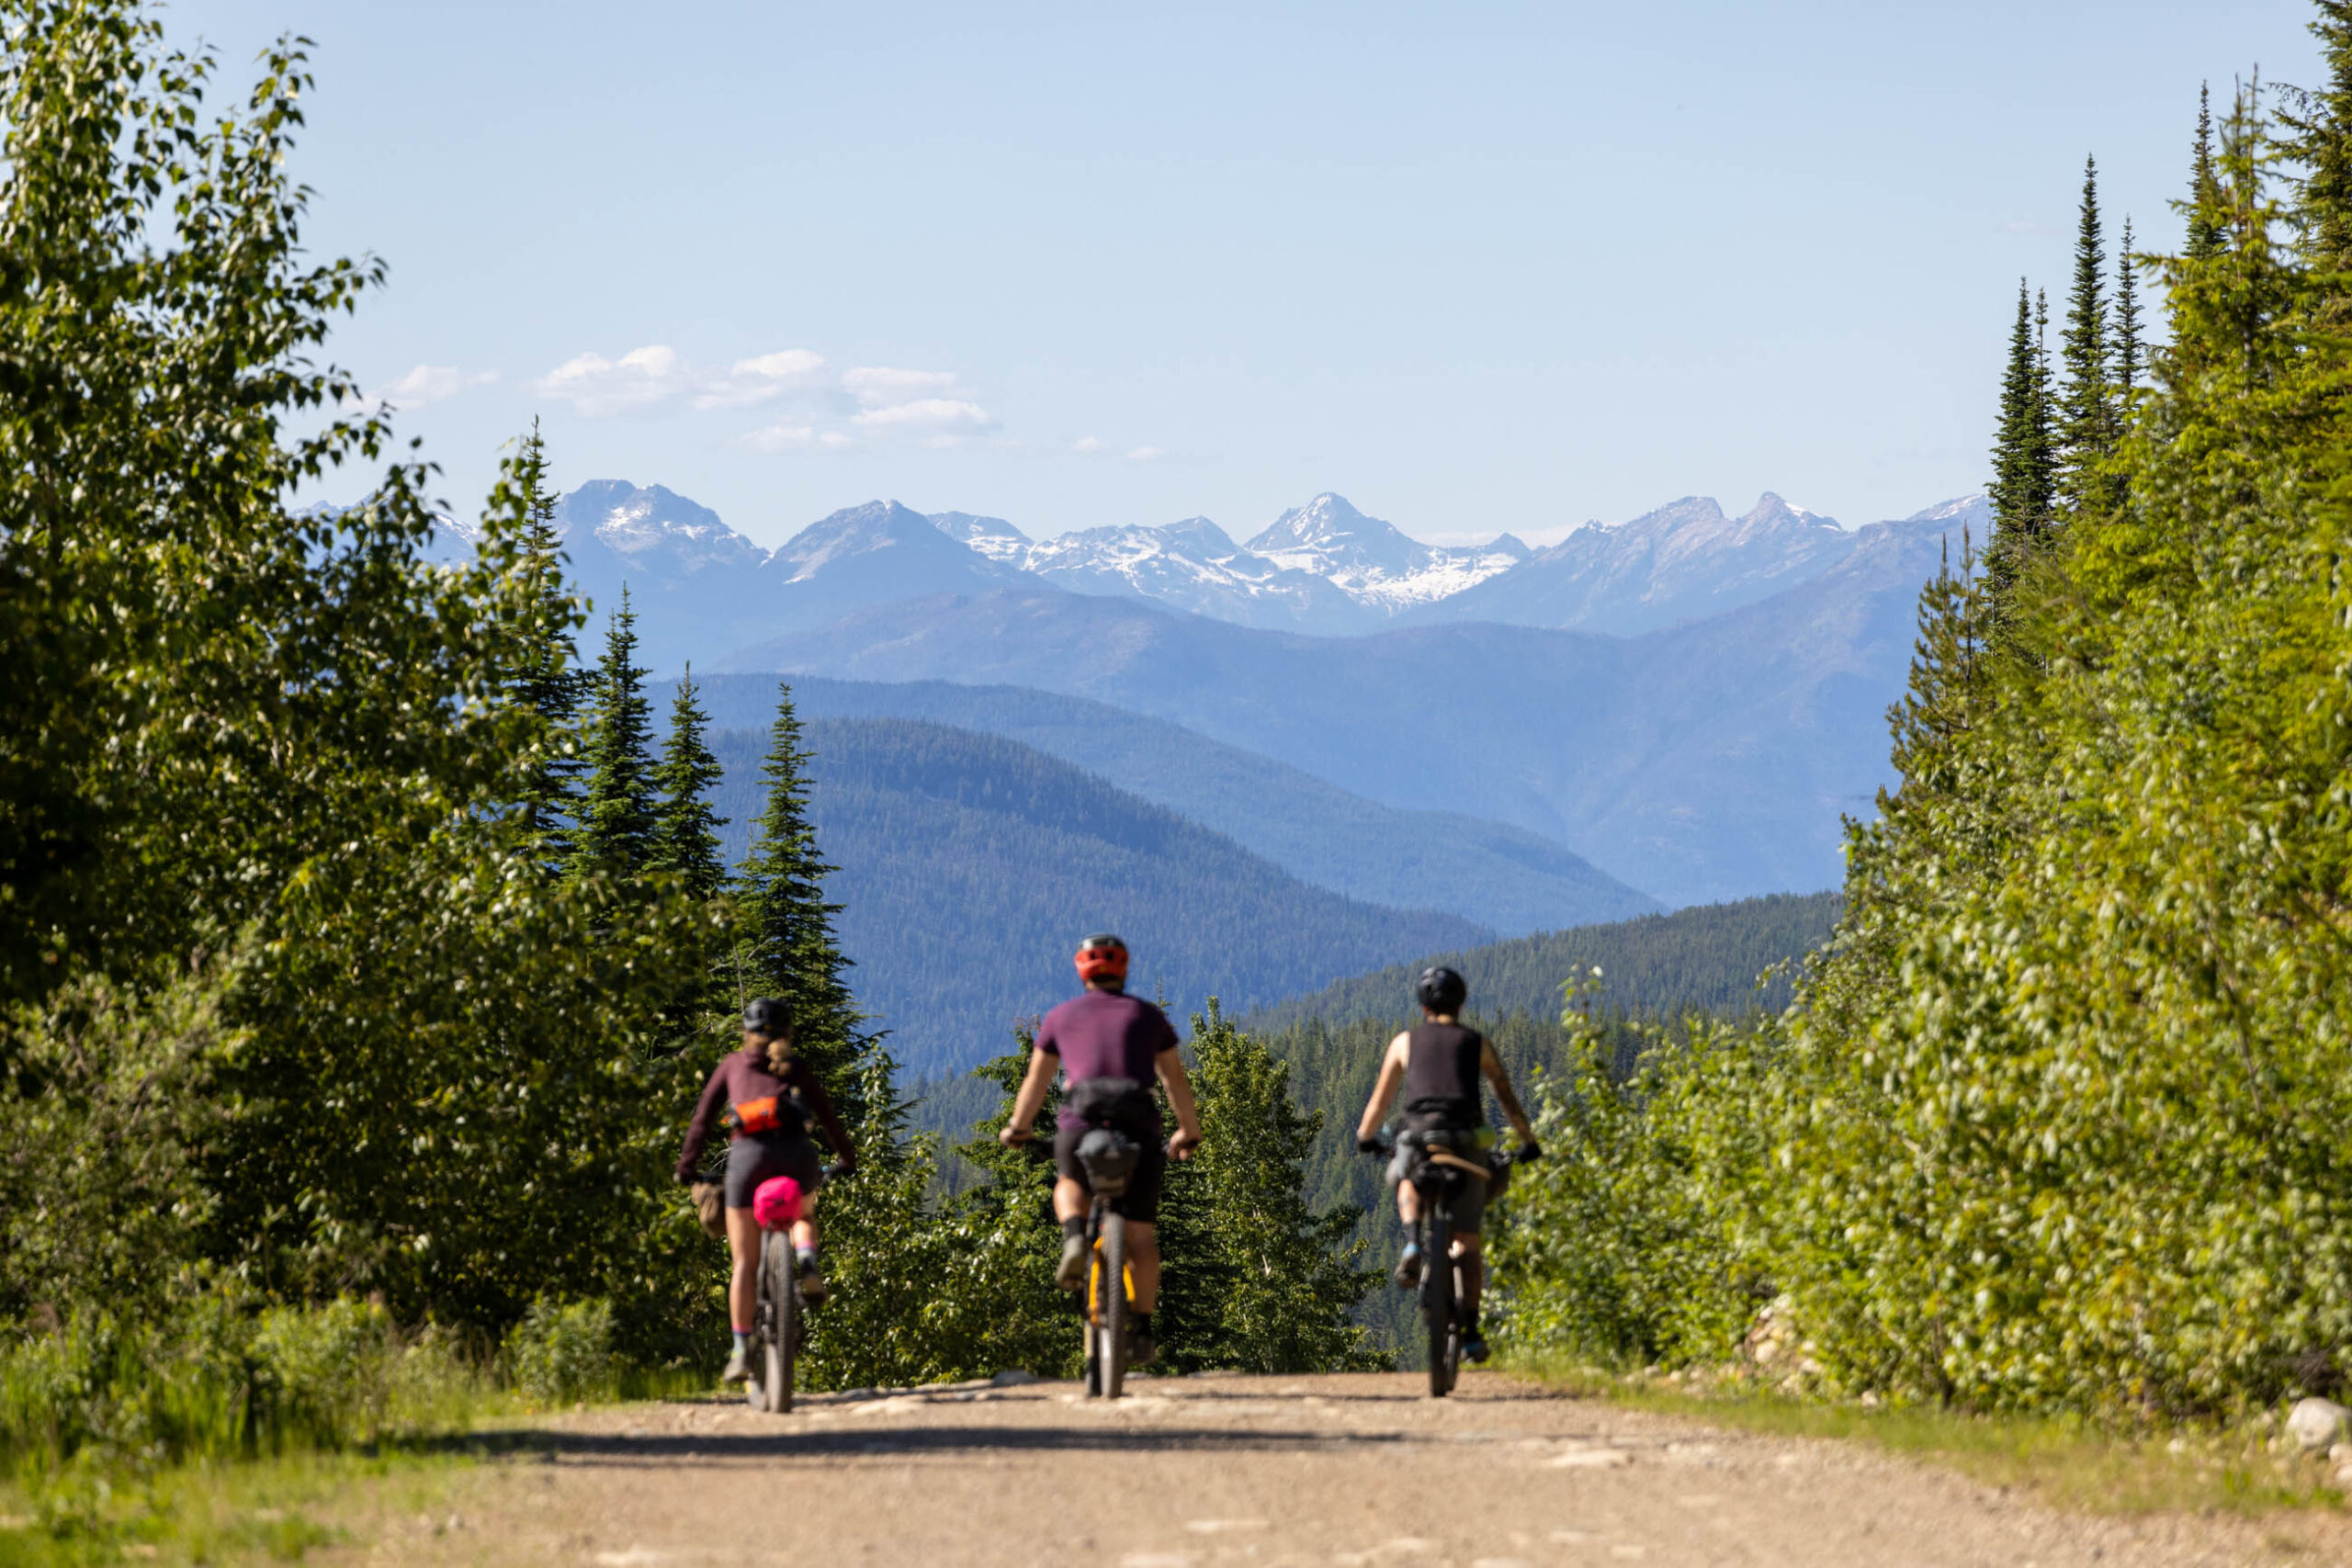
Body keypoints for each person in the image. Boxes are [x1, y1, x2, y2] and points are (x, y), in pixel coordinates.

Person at [1000, 933, 1203, 1368]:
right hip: (1139, 1127)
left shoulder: (1060, 1017)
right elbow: (1173, 1082)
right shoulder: (1148, 1017)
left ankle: (1075, 1237)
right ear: (1124, 970)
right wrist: (1188, 1131)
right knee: (1142, 1235)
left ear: (1082, 971)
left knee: (1070, 1181)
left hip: (1081, 1123)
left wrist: (1018, 1127)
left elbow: (1036, 1082)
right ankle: (1143, 1328)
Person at [1353, 964, 1539, 1365]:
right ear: (1461, 1003)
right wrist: (1529, 1142)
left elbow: (1380, 1101)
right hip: (1465, 1143)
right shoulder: (1477, 1043)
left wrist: (1365, 1137)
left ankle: (1413, 1241)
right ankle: (1471, 1332)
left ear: (1423, 1006)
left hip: (1419, 1137)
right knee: (1469, 1244)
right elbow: (1506, 1097)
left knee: (1405, 1175)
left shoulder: (1405, 1042)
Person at [677, 998, 858, 1383]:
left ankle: (741, 1351)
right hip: (797, 1157)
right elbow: (828, 1118)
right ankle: (807, 1262)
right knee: (804, 1215)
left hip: (748, 1161)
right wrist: (847, 1159)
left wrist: (686, 1168)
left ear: (746, 1032)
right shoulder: (797, 1068)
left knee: (743, 1262)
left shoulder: (732, 1065)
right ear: (788, 1034)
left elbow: (702, 1120)